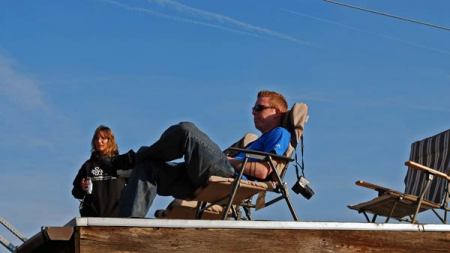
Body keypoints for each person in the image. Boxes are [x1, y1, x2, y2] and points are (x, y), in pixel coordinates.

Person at [118, 90, 291, 217]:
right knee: (148, 168)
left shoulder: (280, 133)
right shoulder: (257, 141)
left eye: (259, 108)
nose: (253, 112)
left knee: (187, 130)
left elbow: (263, 171)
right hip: (209, 181)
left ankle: (130, 159)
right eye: (253, 108)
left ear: (276, 112)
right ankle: (127, 230)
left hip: (231, 178)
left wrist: (228, 159)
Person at [71, 125, 134, 217]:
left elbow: (135, 188)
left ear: (110, 141)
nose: (99, 141)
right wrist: (81, 188)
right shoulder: (88, 166)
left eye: (103, 138)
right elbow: (76, 193)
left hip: (118, 219)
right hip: (92, 220)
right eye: (96, 138)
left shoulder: (120, 163)